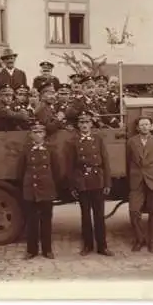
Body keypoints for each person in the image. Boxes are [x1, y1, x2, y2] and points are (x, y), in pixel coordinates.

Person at [65, 110, 114, 257]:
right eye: (81, 123)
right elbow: (70, 165)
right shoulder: (73, 142)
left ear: (91, 124)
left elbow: (105, 161)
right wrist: (72, 185)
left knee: (99, 215)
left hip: (97, 180)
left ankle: (102, 246)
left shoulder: (98, 139)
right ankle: (87, 245)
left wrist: (107, 183)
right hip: (82, 181)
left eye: (87, 122)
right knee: (85, 216)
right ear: (78, 125)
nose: (84, 125)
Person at [16, 120, 61, 260]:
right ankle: (31, 250)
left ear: (45, 134)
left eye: (40, 132)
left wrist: (51, 186)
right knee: (32, 222)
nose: (37, 135)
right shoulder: (26, 150)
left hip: (46, 190)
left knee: (46, 221)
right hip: (31, 190)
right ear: (30, 135)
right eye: (35, 132)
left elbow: (57, 171)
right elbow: (20, 172)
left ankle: (47, 250)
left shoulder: (51, 150)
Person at [126, 116, 153, 253]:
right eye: (142, 125)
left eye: (147, 124)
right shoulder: (131, 142)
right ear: (137, 127)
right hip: (137, 181)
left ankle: (152, 242)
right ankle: (140, 239)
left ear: (151, 126)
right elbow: (128, 162)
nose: (144, 127)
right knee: (134, 211)